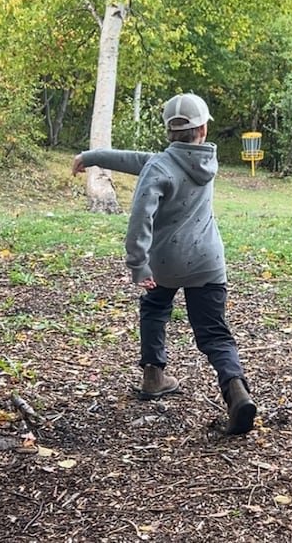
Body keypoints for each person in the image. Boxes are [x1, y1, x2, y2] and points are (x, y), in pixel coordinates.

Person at [72, 93, 257, 435]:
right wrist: (94, 157)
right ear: (202, 129)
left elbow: (140, 217)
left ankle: (154, 376)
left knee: (155, 309)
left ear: (168, 130)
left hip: (165, 264)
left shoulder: (161, 165)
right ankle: (235, 390)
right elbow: (137, 160)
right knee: (215, 332)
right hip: (208, 263)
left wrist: (137, 264)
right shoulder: (207, 161)